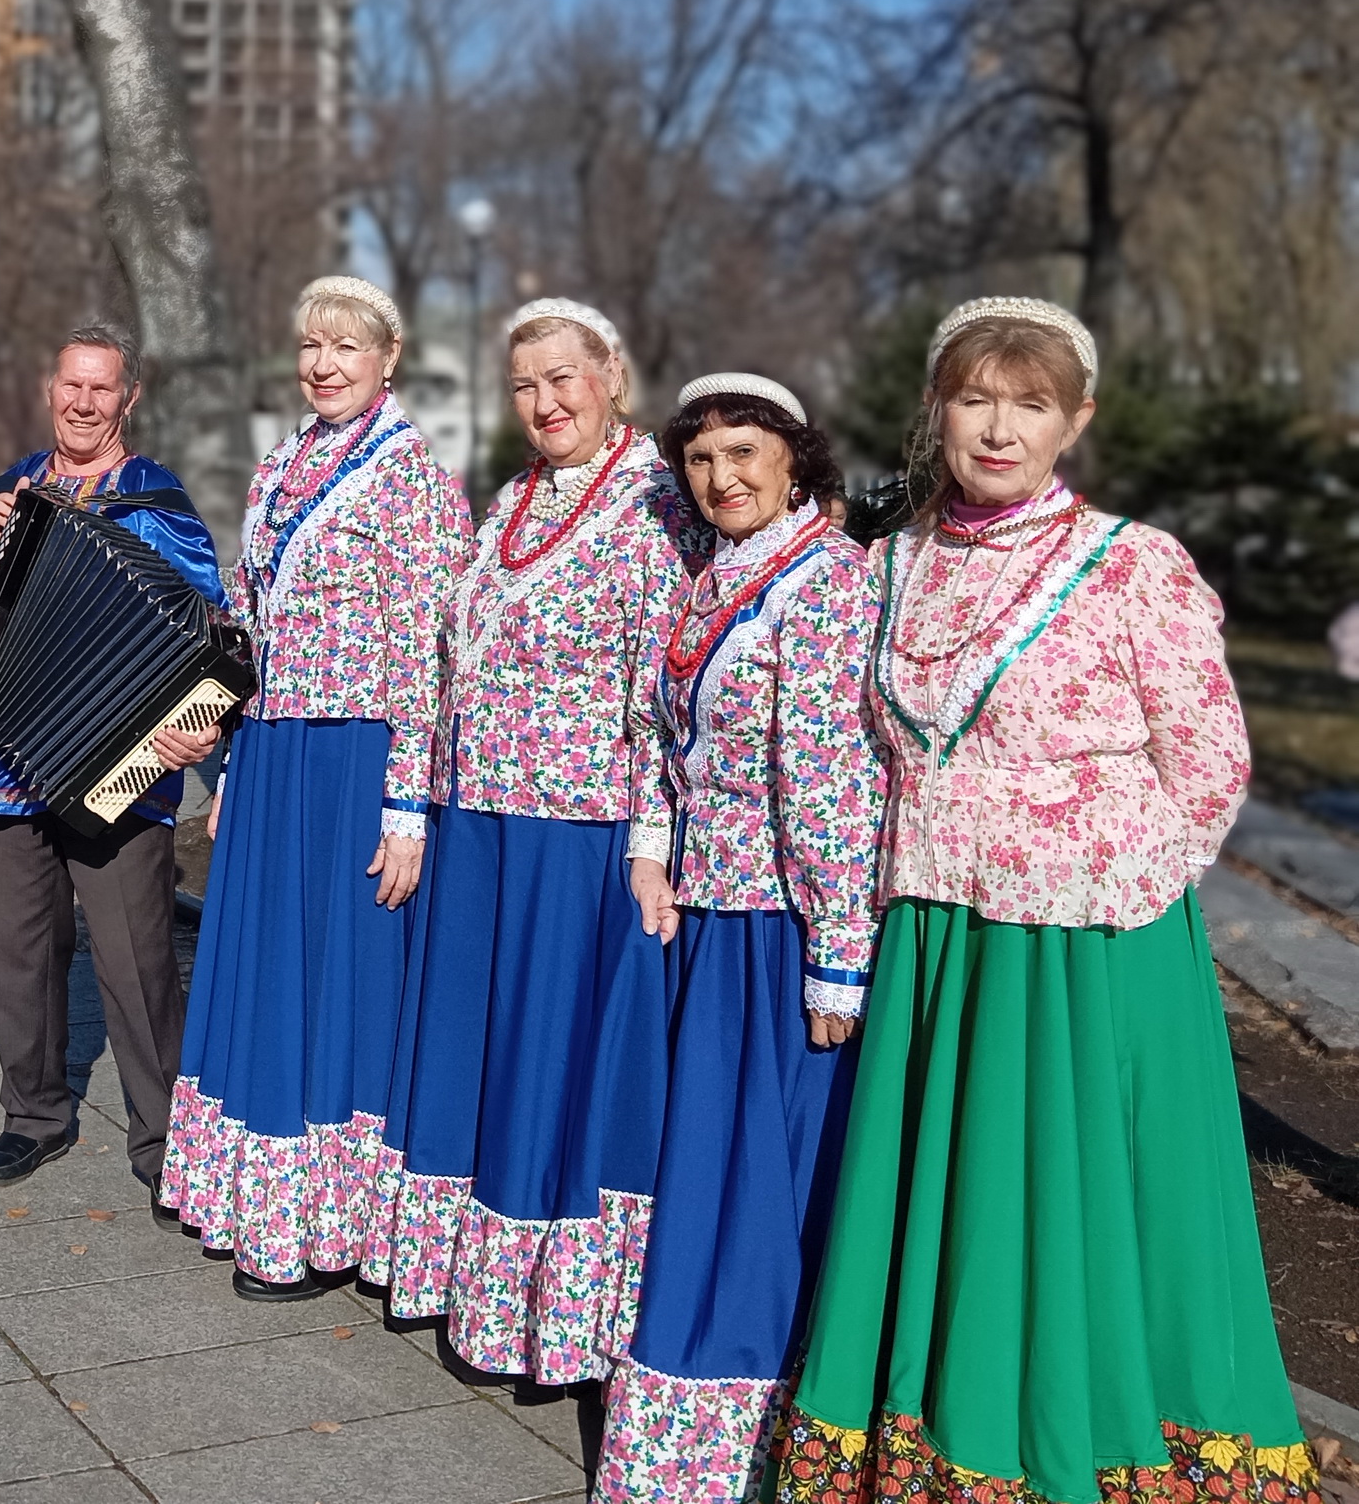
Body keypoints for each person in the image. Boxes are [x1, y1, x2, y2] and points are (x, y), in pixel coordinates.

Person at [773, 298, 1323, 1502]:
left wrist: (1117, 890)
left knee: (1079, 1206)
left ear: (1073, 419)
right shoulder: (890, 566)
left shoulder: (1133, 563)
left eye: (1028, 403)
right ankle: (944, 1436)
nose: (998, 426)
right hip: (939, 934)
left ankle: (1089, 1436)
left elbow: (1209, 760)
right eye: (975, 398)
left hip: (1087, 946)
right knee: (959, 1203)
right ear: (937, 408)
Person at [361, 298, 701, 1405]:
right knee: (483, 1051)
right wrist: (415, 806)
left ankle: (556, 1314)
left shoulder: (658, 504)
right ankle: (472, 1283)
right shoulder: (510, 502)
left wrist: (653, 842)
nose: (546, 403)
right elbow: (445, 661)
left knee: (553, 1067)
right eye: (525, 386)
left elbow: (669, 696)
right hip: (482, 824)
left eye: (565, 378)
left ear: (612, 375)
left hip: (579, 834)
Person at [591, 374, 883, 1499]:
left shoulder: (825, 586)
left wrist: (838, 957)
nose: (723, 478)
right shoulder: (717, 579)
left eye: (746, 453)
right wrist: (654, 848)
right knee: (708, 1178)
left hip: (787, 932)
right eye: (703, 461)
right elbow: (663, 739)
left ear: (797, 460)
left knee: (763, 1191)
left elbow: (831, 789)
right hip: (715, 916)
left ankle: (754, 1437)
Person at [153, 277, 470, 1298]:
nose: (323, 364)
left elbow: (430, 652)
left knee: (335, 974)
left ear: (388, 356)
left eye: (345, 347)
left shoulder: (412, 476)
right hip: (279, 747)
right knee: (266, 968)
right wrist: (215, 738)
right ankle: (253, 1192)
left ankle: (330, 1223)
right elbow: (246, 625)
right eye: (311, 347)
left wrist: (406, 805)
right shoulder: (283, 464)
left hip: (354, 752)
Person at [0, 323, 227, 1207]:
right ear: (50, 390)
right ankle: (35, 1116)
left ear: (126, 399)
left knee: (135, 953)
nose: (84, 402)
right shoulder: (12, 487)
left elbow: (211, 634)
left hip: (124, 763)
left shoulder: (155, 500)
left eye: (102, 389)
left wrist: (197, 728)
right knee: (18, 946)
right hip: (16, 756)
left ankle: (164, 1131)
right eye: (71, 386)